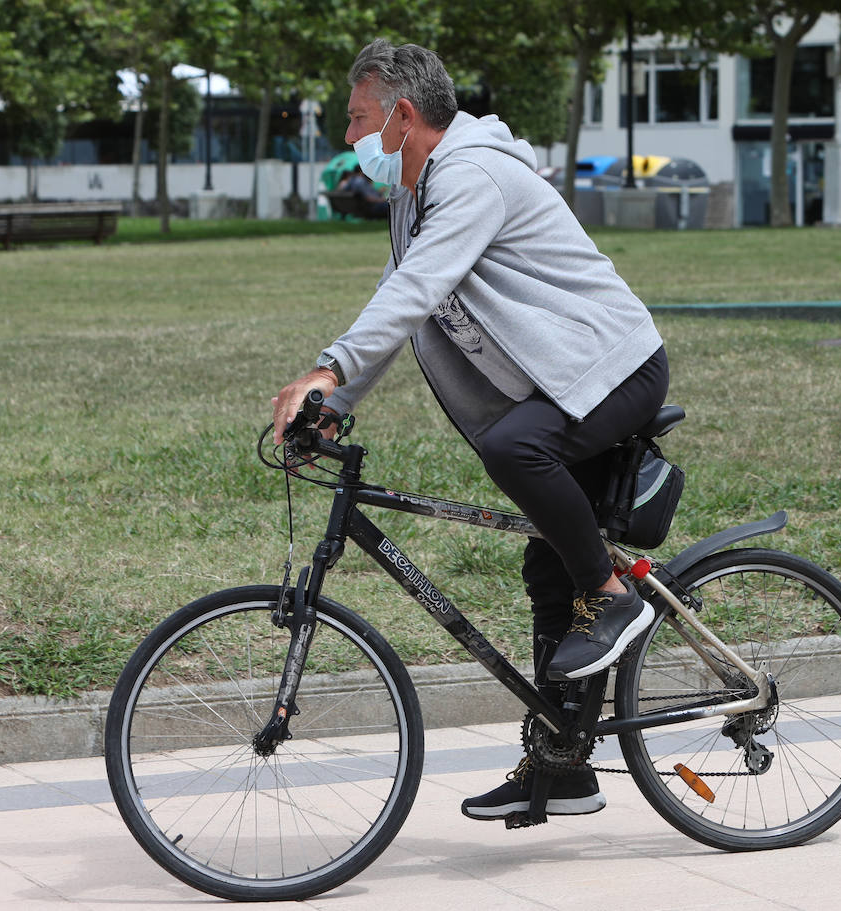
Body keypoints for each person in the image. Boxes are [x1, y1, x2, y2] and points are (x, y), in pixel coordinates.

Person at [270, 39, 668, 823]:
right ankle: (563, 764)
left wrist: (328, 365)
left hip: (615, 369)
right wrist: (337, 398)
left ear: (403, 115)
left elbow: (419, 285)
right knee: (545, 560)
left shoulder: (471, 172)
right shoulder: (413, 195)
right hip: (566, 381)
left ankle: (612, 595)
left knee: (515, 449)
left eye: (356, 119)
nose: (349, 139)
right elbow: (401, 297)